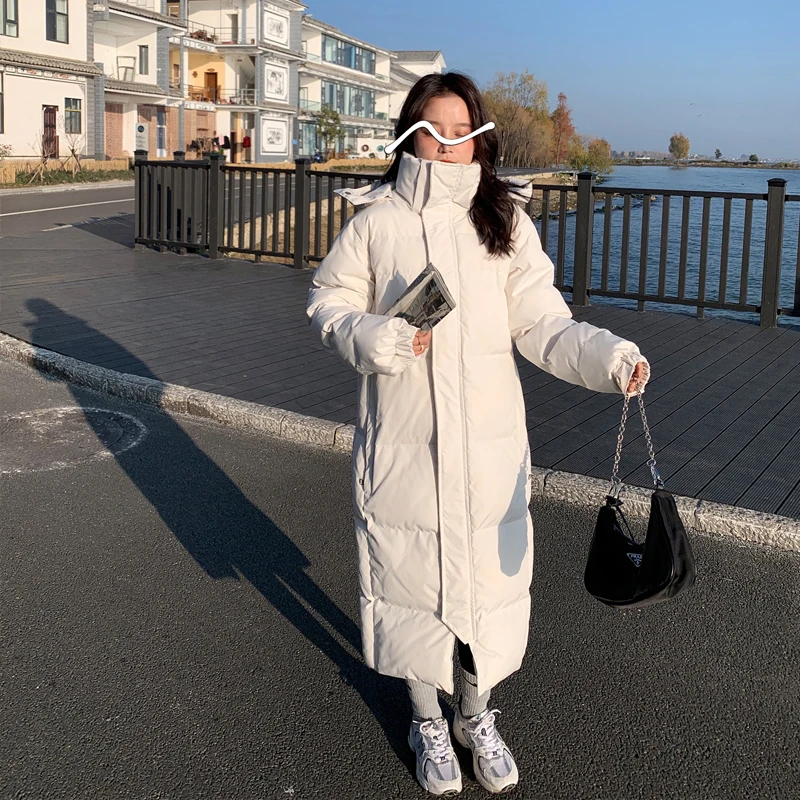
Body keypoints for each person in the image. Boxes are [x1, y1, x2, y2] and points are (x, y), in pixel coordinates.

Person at [306, 72, 650, 796]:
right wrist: (377, 336)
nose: (449, 144)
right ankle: (426, 719)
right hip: (405, 441)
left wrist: (610, 358)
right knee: (412, 581)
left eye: (463, 131)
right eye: (434, 130)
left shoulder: (506, 221)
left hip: (489, 446)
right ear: (410, 134)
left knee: (484, 590)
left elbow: (543, 323)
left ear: (480, 139)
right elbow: (329, 303)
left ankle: (474, 714)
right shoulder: (376, 221)